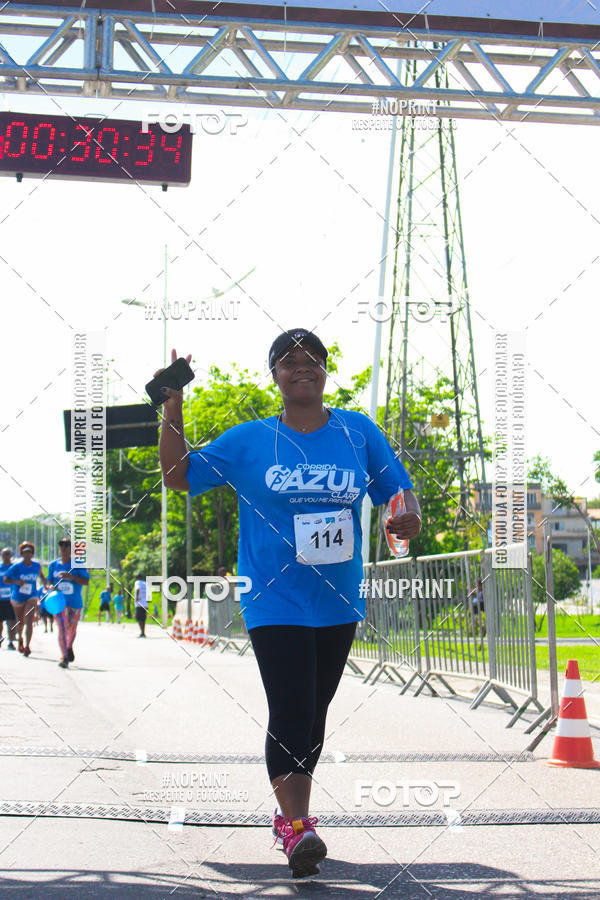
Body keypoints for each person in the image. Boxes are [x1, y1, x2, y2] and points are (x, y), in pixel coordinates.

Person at [156, 331, 422, 879]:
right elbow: (179, 475)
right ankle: (297, 826)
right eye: (288, 363)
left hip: (338, 597)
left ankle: (292, 815)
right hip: (272, 596)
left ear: (326, 372)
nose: (301, 369)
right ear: (273, 375)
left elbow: (398, 489)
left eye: (311, 362)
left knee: (315, 713)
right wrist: (173, 406)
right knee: (292, 705)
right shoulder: (250, 440)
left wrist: (406, 517)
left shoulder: (356, 431)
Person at [47, 537, 90, 668]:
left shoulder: (77, 564)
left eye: (67, 545)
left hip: (75, 603)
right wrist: (51, 587)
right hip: (59, 603)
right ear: (59, 548)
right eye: (62, 545)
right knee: (62, 628)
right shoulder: (53, 565)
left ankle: (69, 646)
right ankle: (64, 656)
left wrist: (70, 577)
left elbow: (86, 581)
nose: (64, 547)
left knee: (71, 629)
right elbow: (49, 582)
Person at [3, 542, 45, 656]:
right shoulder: (16, 567)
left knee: (29, 620)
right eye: (25, 552)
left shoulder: (36, 565)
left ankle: (27, 645)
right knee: (20, 622)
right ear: (22, 554)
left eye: (30, 552)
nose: (28, 554)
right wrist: (17, 581)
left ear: (32, 553)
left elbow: (41, 576)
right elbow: (6, 579)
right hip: (18, 597)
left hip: (32, 595)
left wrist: (46, 584)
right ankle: (20, 638)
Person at [0, 548, 16, 650]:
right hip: (0, 599)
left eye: (8, 554)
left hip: (12, 598)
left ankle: (11, 641)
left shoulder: (15, 568)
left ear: (11, 555)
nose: (6, 556)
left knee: (11, 621)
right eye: (4, 554)